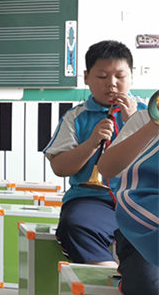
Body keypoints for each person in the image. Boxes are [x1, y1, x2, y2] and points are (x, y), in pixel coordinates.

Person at [44, 40, 147, 267]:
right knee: (75, 226)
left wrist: (133, 124)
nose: (112, 84)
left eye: (120, 76)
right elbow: (60, 167)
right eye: (102, 77)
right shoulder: (75, 117)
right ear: (86, 77)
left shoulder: (149, 113)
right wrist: (91, 142)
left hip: (143, 199)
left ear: (131, 76)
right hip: (92, 200)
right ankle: (107, 273)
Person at [98, 100, 159, 295]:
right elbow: (106, 167)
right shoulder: (144, 120)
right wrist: (153, 125)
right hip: (143, 233)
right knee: (150, 291)